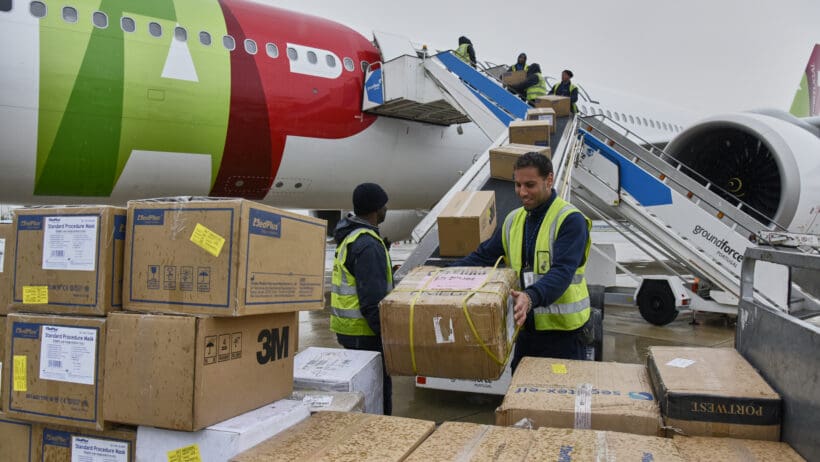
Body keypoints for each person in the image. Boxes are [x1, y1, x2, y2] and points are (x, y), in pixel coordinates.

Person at [453, 153, 592, 372]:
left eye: (530, 185)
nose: (522, 192)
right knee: (521, 394)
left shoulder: (570, 219)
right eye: (517, 185)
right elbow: (482, 257)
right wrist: (437, 274)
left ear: (549, 180)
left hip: (564, 335)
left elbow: (562, 273)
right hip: (525, 330)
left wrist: (530, 296)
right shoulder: (513, 219)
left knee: (559, 400)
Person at [329, 183, 394, 414]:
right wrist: (388, 335)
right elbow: (372, 301)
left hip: (349, 331)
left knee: (361, 393)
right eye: (384, 204)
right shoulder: (367, 244)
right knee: (377, 394)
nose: (387, 208)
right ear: (376, 209)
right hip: (366, 334)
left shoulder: (350, 236)